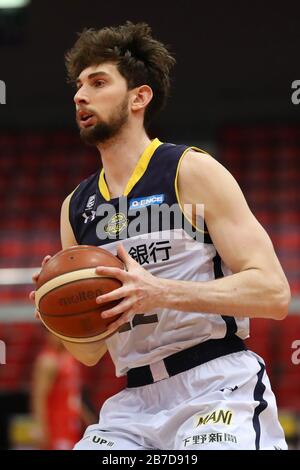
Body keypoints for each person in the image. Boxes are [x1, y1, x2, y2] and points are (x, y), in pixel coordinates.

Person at [30, 21, 291, 450]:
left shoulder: (189, 170)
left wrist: (159, 292)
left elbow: (273, 293)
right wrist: (54, 308)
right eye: (79, 86)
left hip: (215, 386)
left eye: (98, 83)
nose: (81, 95)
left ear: (139, 97)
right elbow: (91, 353)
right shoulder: (75, 207)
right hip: (133, 403)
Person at [31, 332, 95, 450]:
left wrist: (90, 420)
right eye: (54, 333)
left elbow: (74, 396)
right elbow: (39, 397)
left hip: (71, 424)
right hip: (56, 426)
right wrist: (40, 426)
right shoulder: (48, 361)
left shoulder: (71, 359)